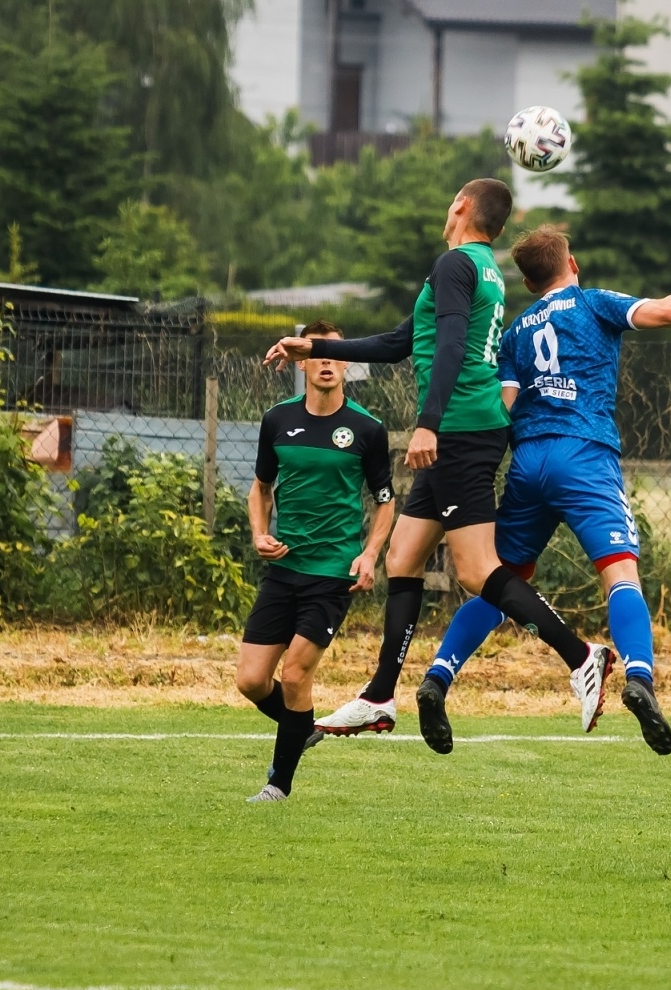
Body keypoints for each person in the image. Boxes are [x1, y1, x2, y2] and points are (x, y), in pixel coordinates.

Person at [263, 179, 613, 755]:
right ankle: (378, 697)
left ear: (461, 207)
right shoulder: (477, 267)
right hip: (466, 426)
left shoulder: (456, 262)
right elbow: (405, 341)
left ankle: (581, 657)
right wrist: (318, 350)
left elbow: (450, 346)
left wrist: (428, 423)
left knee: (477, 572)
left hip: (460, 429)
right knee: (402, 557)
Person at [414, 227, 671, 752]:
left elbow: (501, 406)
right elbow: (666, 312)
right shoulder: (593, 304)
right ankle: (639, 677)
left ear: (527, 281)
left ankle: (438, 677)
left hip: (528, 460)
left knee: (500, 579)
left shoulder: (516, 331)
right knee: (620, 576)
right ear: (573, 264)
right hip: (584, 454)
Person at [236, 322, 396, 803]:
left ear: (345, 362)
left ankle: (277, 785)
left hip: (332, 573)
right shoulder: (277, 420)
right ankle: (302, 726)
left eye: (335, 354)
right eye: (317, 354)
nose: (326, 362)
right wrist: (260, 534)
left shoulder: (367, 429)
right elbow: (260, 489)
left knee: (295, 675)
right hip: (284, 569)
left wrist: (369, 554)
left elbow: (386, 501)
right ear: (302, 363)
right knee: (250, 680)